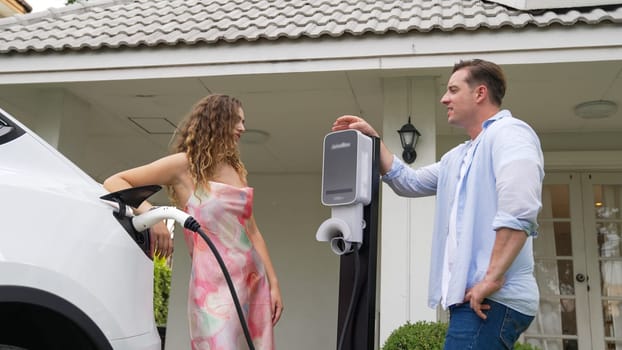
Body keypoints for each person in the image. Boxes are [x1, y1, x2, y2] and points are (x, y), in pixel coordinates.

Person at [332, 59, 544, 349]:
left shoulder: (510, 134)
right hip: (474, 299)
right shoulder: (460, 155)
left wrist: (491, 279)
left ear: (480, 93)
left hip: (492, 300)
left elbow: (519, 210)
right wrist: (375, 140)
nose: (445, 98)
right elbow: (411, 182)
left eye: (453, 90)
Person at [103, 94, 282, 350]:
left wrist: (274, 286)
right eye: (236, 121)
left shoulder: (236, 170)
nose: (242, 128)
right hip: (212, 289)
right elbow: (116, 182)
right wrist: (153, 215)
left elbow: (252, 231)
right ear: (217, 121)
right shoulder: (184, 166)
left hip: (253, 284)